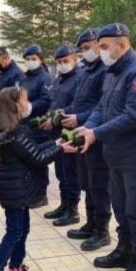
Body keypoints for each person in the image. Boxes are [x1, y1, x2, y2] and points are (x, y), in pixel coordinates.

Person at [77, 23, 136, 271]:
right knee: (121, 208)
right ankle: (124, 250)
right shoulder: (112, 73)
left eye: (103, 47)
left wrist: (96, 133)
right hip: (115, 155)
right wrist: (89, 126)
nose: (100, 53)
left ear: (122, 45)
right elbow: (102, 106)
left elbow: (134, 116)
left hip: (135, 157)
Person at [0, 87, 76, 271]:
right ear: (16, 105)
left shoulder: (9, 128)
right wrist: (60, 149)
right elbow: (37, 159)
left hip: (16, 187)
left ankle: (15, 268)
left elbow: (31, 151)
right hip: (17, 188)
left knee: (21, 230)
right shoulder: (16, 131)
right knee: (14, 232)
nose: (28, 104)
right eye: (25, 100)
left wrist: (55, 143)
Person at [63, 27, 112, 251]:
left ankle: (102, 231)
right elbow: (80, 100)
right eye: (82, 49)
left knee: (99, 186)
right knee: (88, 184)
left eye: (87, 48)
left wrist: (80, 118)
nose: (84, 53)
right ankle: (91, 224)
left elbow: (101, 106)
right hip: (83, 133)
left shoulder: (105, 70)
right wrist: (70, 115)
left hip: (97, 136)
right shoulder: (88, 69)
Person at [40, 44, 82, 226]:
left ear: (75, 59)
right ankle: (64, 205)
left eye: (66, 61)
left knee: (71, 173)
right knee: (60, 172)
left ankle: (72, 210)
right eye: (59, 62)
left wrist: (55, 119)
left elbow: (77, 106)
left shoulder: (80, 78)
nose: (62, 64)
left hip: (71, 131)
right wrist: (48, 117)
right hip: (57, 132)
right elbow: (53, 103)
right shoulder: (58, 80)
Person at [18, 44, 52, 207]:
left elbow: (46, 100)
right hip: (25, 125)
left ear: (41, 59)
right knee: (28, 160)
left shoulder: (44, 77)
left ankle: (41, 195)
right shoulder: (25, 78)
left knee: (39, 160)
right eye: (28, 59)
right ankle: (31, 192)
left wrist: (29, 107)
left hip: (38, 124)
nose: (30, 62)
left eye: (34, 59)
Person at [0, 46, 26, 121]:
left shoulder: (18, 75)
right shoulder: (0, 74)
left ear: (6, 59)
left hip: (7, 119)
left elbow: (17, 98)